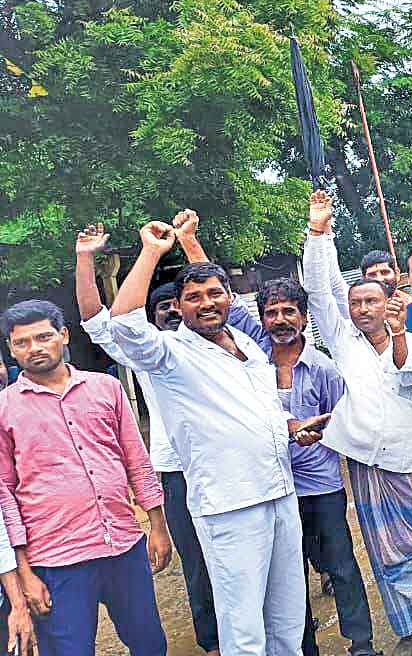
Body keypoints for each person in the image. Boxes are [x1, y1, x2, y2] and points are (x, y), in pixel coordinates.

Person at [109, 221, 327, 656]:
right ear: (180, 306)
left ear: (230, 297)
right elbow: (125, 326)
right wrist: (151, 252)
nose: (206, 303)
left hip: (280, 492)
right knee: (243, 626)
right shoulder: (171, 353)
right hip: (230, 506)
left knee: (287, 618)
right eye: (194, 297)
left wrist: (291, 427)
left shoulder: (246, 342)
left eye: (214, 294)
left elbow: (261, 408)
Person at [302, 191, 412, 655]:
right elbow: (319, 289)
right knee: (385, 555)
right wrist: (318, 233)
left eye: (373, 301)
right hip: (370, 467)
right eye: (357, 303)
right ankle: (407, 631)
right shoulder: (343, 342)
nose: (364, 309)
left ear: (392, 302)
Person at [73, 222, 222, 656]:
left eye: (177, 308)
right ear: (150, 318)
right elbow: (93, 318)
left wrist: (192, 242)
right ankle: (212, 644)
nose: (173, 315)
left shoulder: (218, 344)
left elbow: (212, 288)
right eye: (162, 312)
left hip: (225, 464)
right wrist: (86, 258)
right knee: (196, 564)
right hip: (176, 470)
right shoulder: (148, 353)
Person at [217, 276, 377, 656]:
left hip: (321, 486)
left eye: (289, 311)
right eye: (271, 313)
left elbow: (341, 421)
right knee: (290, 578)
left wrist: (317, 435)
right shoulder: (252, 363)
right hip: (273, 486)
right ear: (262, 319)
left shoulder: (323, 368)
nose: (280, 319)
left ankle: (361, 643)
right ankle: (304, 647)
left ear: (305, 318)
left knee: (340, 566)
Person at [0, 299, 159, 656]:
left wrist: (157, 526)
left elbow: (135, 458)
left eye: (43, 337)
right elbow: (5, 495)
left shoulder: (106, 388)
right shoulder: (4, 409)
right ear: (10, 348)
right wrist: (25, 573)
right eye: (22, 342)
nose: (34, 348)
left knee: (150, 643)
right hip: (55, 560)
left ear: (64, 335)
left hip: (123, 544)